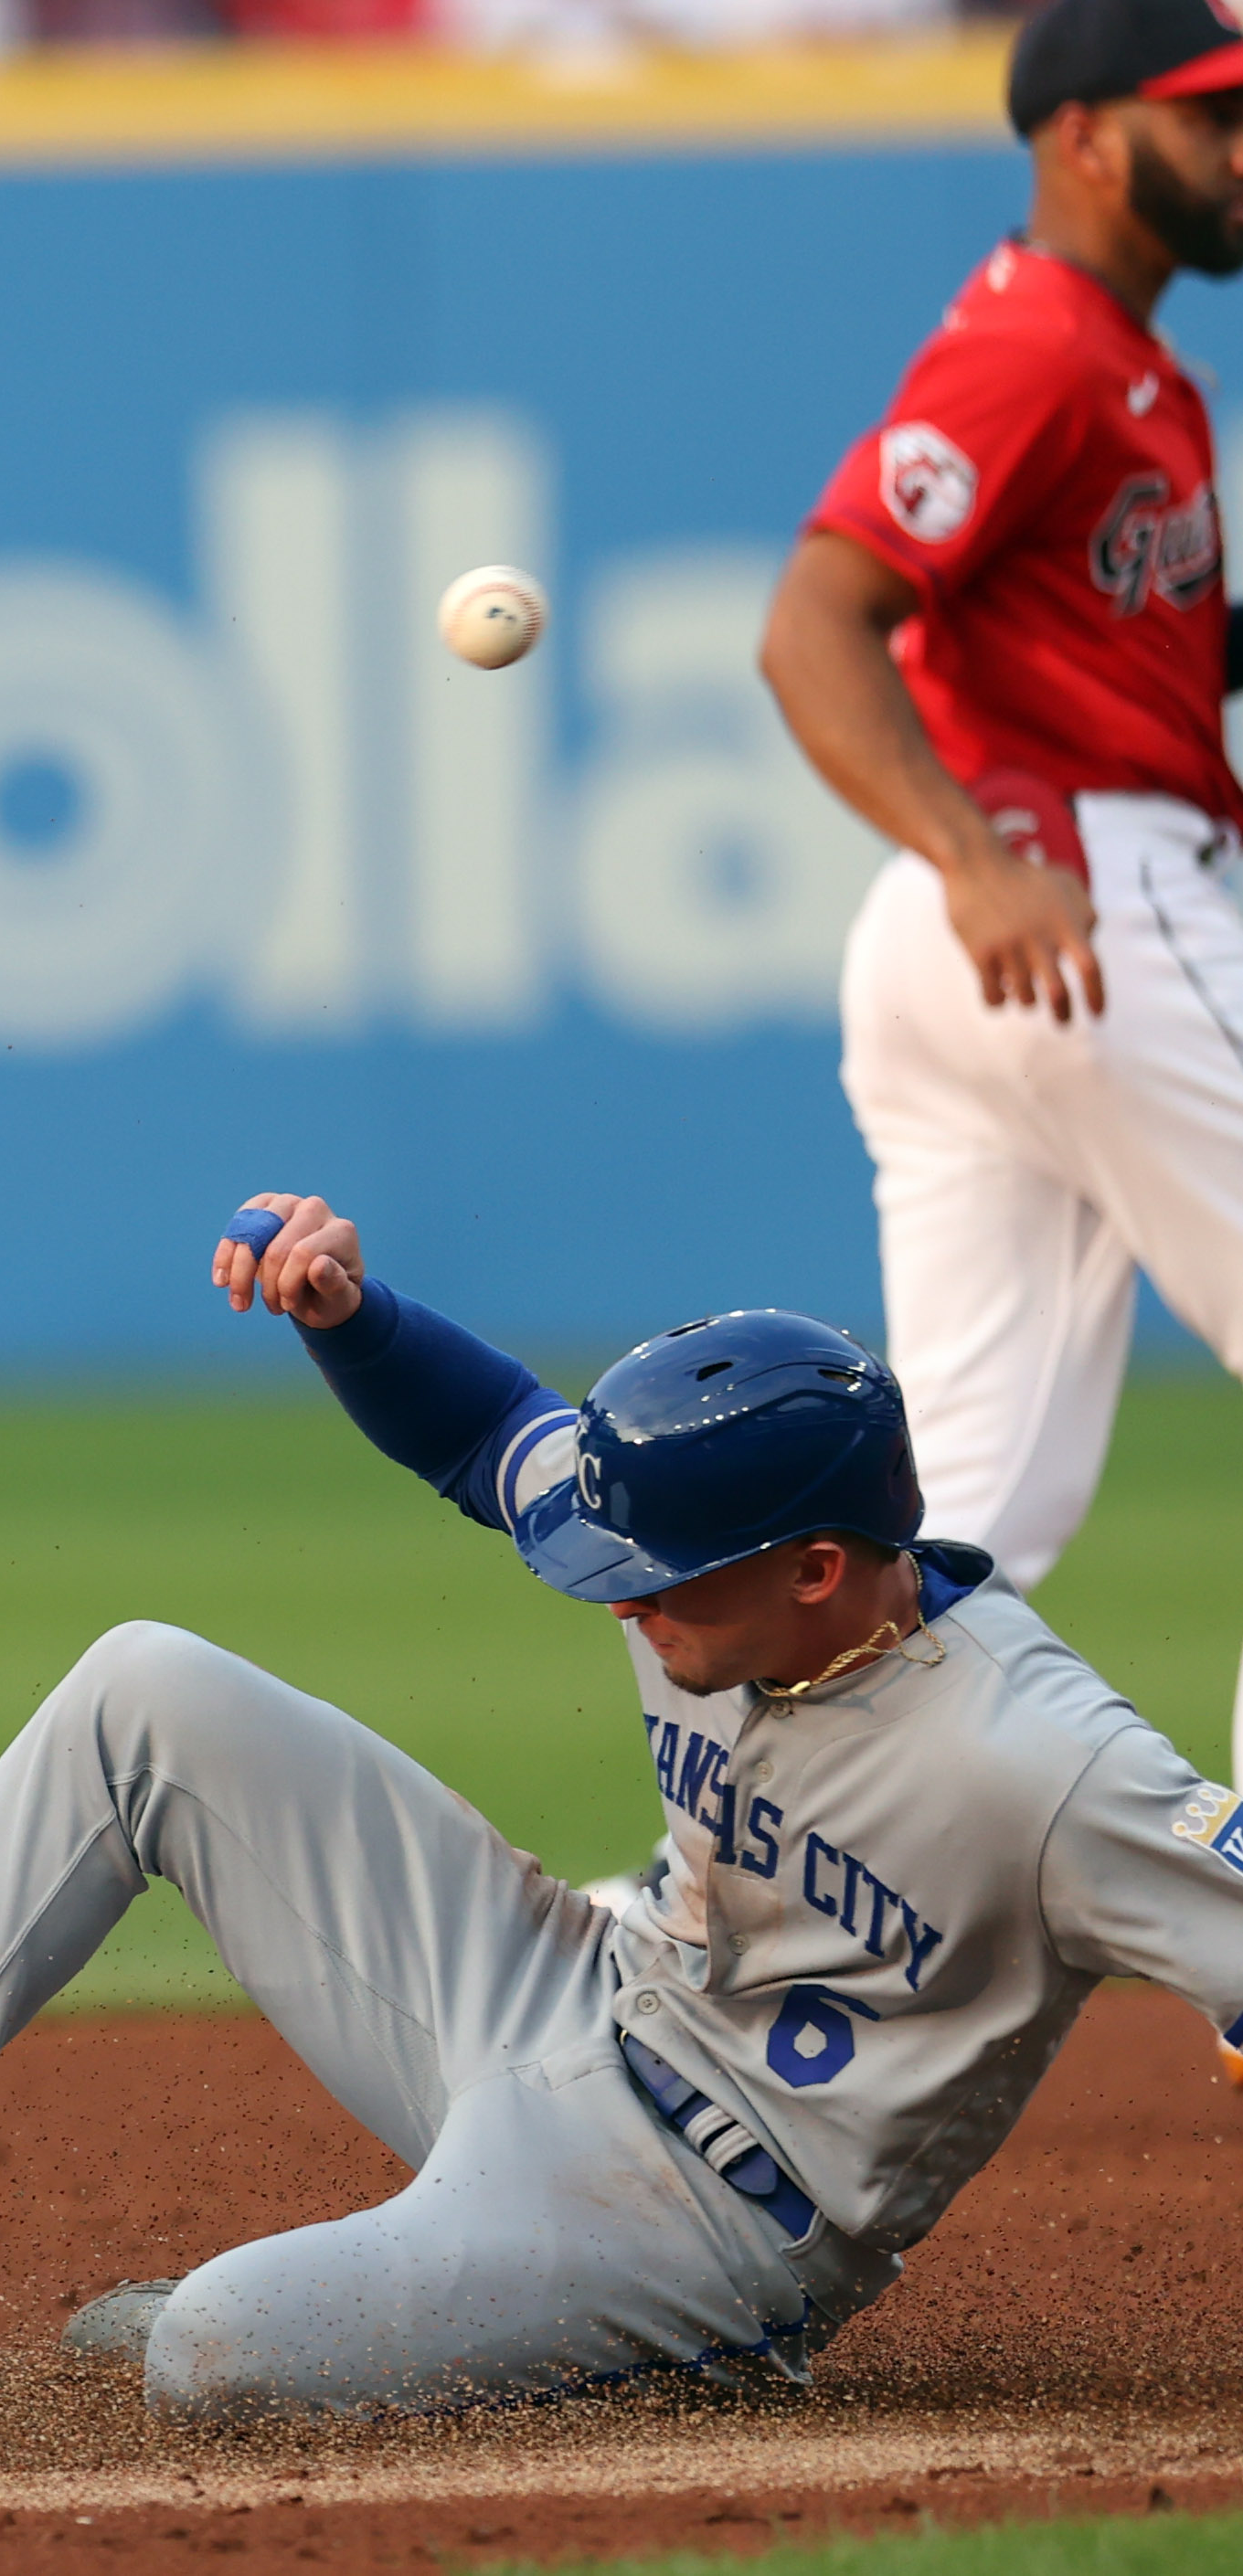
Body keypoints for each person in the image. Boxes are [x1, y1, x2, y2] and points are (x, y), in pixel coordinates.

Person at [0, 1191, 1243, 2417]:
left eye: (660, 1581)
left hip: (714, 2226)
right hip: (567, 1991)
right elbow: (494, 1440)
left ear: (820, 1570)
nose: (618, 1603)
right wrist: (351, 1313)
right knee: (142, 1687)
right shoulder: (706, 1546)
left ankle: (426, 2327)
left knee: (214, 2355)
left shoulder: (1043, 1767)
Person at [759, 0, 1243, 1834]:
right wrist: (974, 855)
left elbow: (1129, 655)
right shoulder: (1037, 345)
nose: (1240, 147)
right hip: (1067, 904)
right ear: (1086, 138)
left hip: (980, 944)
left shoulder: (1117, 364)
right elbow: (810, 622)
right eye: (1206, 117)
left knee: (947, 1527)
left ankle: (745, 1908)